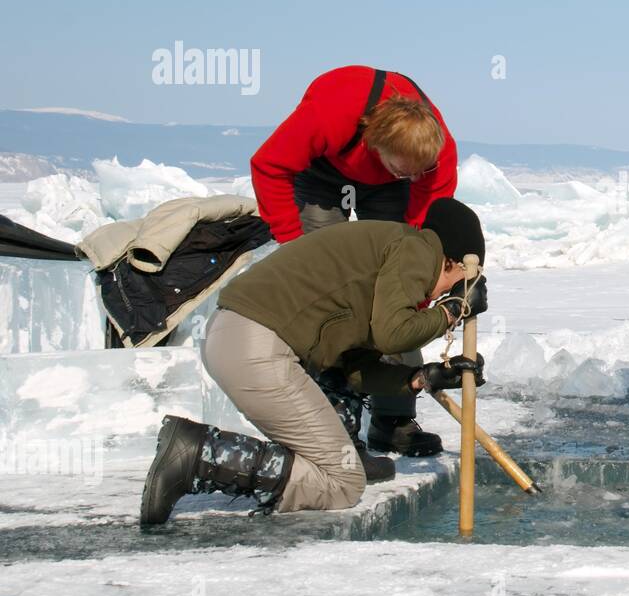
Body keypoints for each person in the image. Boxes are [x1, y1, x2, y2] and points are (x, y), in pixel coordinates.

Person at [139, 199, 488, 525]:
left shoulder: (383, 258)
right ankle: (199, 456)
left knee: (337, 454)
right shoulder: (419, 247)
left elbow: (351, 367)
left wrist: (421, 378)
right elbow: (394, 334)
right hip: (256, 344)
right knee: (342, 482)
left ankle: (337, 449)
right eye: (456, 283)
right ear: (452, 260)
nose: (444, 294)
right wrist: (453, 310)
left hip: (238, 337)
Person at [251, 64, 460, 455]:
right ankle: (329, 419)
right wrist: (298, 249)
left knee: (395, 294)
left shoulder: (433, 157)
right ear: (374, 143)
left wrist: (418, 293)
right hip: (323, 176)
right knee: (327, 293)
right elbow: (269, 166)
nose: (418, 176)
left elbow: (426, 226)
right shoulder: (331, 114)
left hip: (386, 185)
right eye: (407, 169)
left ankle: (393, 420)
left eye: (422, 171)